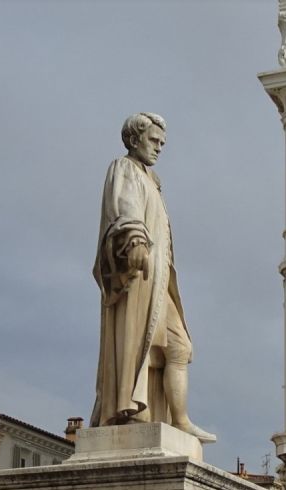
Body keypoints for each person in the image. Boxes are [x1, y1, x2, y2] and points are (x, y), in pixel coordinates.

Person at [91, 111, 214, 443]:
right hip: (137, 272)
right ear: (134, 139)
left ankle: (180, 420)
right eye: (154, 140)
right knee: (139, 343)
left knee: (179, 347)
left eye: (163, 142)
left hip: (159, 277)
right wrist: (134, 241)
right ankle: (133, 409)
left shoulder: (153, 180)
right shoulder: (124, 168)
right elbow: (124, 207)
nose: (159, 148)